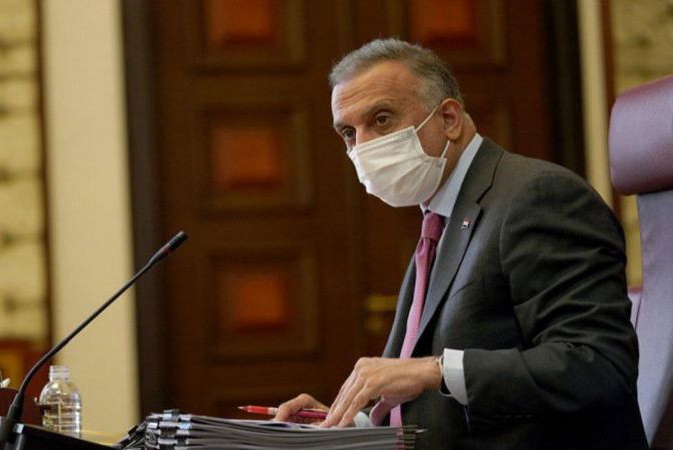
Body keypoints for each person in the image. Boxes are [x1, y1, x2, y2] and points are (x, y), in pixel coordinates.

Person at [274, 38, 648, 449]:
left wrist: (433, 370)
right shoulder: (441, 221)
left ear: (449, 119)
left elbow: (598, 366)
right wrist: (349, 422)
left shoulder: (537, 197)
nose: (362, 146)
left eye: (381, 120)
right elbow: (431, 400)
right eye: (348, 132)